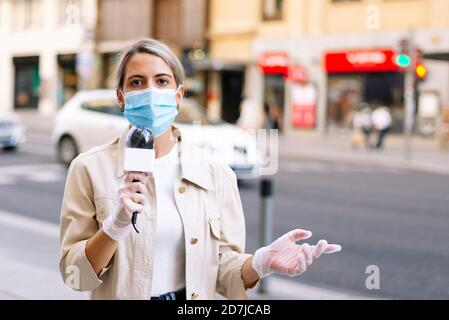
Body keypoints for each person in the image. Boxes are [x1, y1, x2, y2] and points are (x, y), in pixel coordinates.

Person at [59, 38, 341, 300]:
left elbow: (223, 272)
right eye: (136, 82)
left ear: (178, 95)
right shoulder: (88, 169)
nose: (151, 91)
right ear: (121, 97)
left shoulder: (217, 174)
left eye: (162, 81)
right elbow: (75, 276)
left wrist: (260, 263)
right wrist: (115, 226)